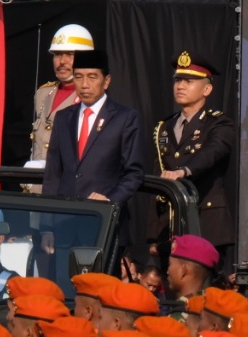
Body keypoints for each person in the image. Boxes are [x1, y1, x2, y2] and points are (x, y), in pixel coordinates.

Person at [150, 50, 237, 264]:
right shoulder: (164, 127)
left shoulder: (218, 123)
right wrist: (153, 235)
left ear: (207, 89)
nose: (180, 86)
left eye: (189, 81)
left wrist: (183, 171)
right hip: (170, 228)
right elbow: (158, 178)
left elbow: (212, 152)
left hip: (205, 223)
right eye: (178, 80)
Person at [41, 47, 144, 213]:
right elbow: (53, 173)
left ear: (106, 81)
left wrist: (110, 200)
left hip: (104, 217)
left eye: (92, 77)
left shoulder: (124, 118)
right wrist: (47, 219)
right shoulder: (63, 117)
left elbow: (134, 173)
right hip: (64, 217)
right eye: (78, 77)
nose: (84, 85)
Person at [29, 24, 92, 167]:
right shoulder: (43, 94)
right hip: (37, 178)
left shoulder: (91, 98)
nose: (62, 61)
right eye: (57, 54)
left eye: (70, 54)